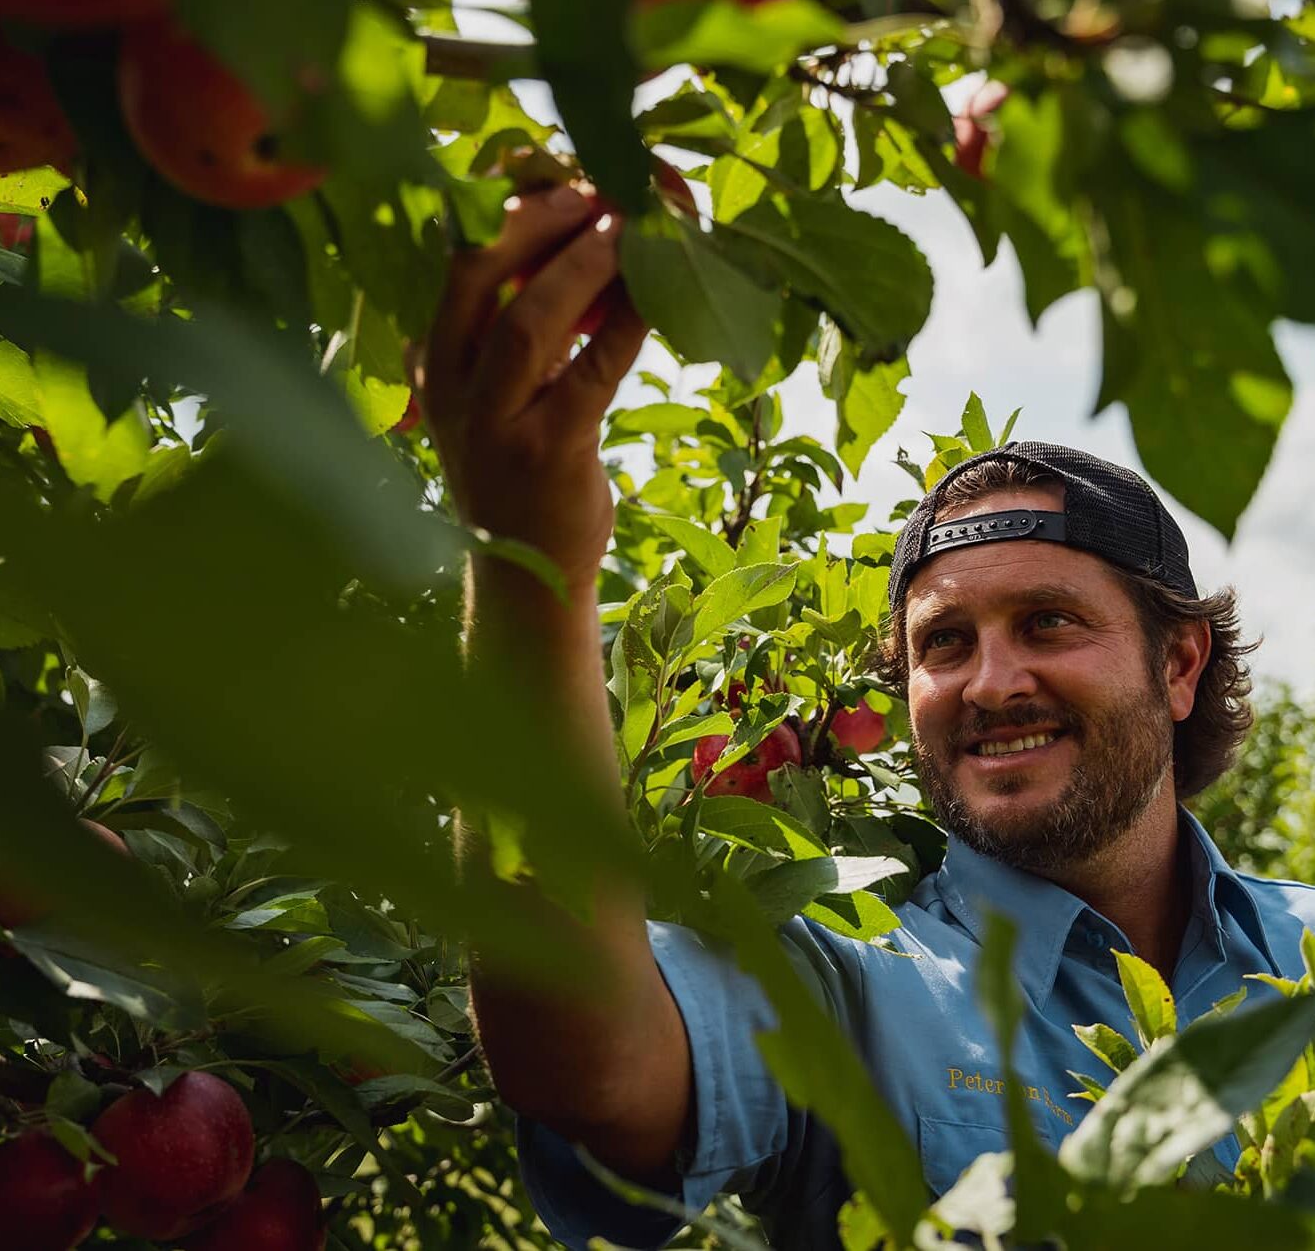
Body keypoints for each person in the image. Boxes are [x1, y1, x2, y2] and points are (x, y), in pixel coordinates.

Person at [416, 188, 1315, 1250]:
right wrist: (528, 565)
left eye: (1047, 621)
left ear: (1177, 665)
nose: (989, 681)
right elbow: (587, 1052)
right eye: (943, 642)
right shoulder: (845, 983)